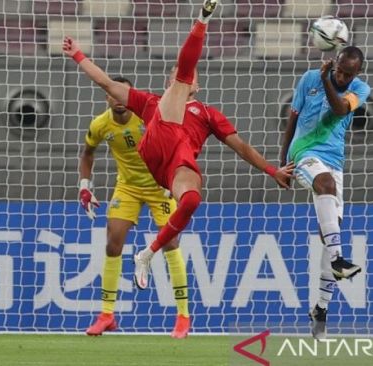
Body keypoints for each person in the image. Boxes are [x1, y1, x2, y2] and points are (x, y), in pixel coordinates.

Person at [64, 0, 293, 292]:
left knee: (192, 201)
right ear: (168, 79)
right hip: (158, 142)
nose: (182, 78)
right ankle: (202, 20)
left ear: (198, 85)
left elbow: (241, 147)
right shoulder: (150, 102)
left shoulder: (208, 114)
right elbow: (107, 83)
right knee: (177, 84)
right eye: (174, 75)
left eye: (187, 77)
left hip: (175, 167)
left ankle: (147, 253)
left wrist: (272, 170)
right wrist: (78, 55)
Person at [79, 76, 191, 338]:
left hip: (158, 185)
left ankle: (183, 316)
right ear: (106, 96)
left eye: (123, 94)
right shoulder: (100, 124)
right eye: (113, 94)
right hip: (127, 187)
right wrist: (85, 185)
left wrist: (172, 176)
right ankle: (107, 315)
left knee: (171, 243)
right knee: (112, 243)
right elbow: (87, 153)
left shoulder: (147, 117)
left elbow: (176, 141)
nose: (118, 99)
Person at [278, 46, 371, 340]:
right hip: (303, 151)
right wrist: (282, 162)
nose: (342, 76)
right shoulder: (309, 78)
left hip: (334, 161)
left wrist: (329, 82)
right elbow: (292, 117)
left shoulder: (360, 89)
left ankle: (321, 308)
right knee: (325, 188)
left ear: (357, 73)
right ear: (335, 62)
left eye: (348, 73)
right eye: (339, 70)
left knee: (329, 230)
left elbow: (340, 109)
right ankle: (338, 258)